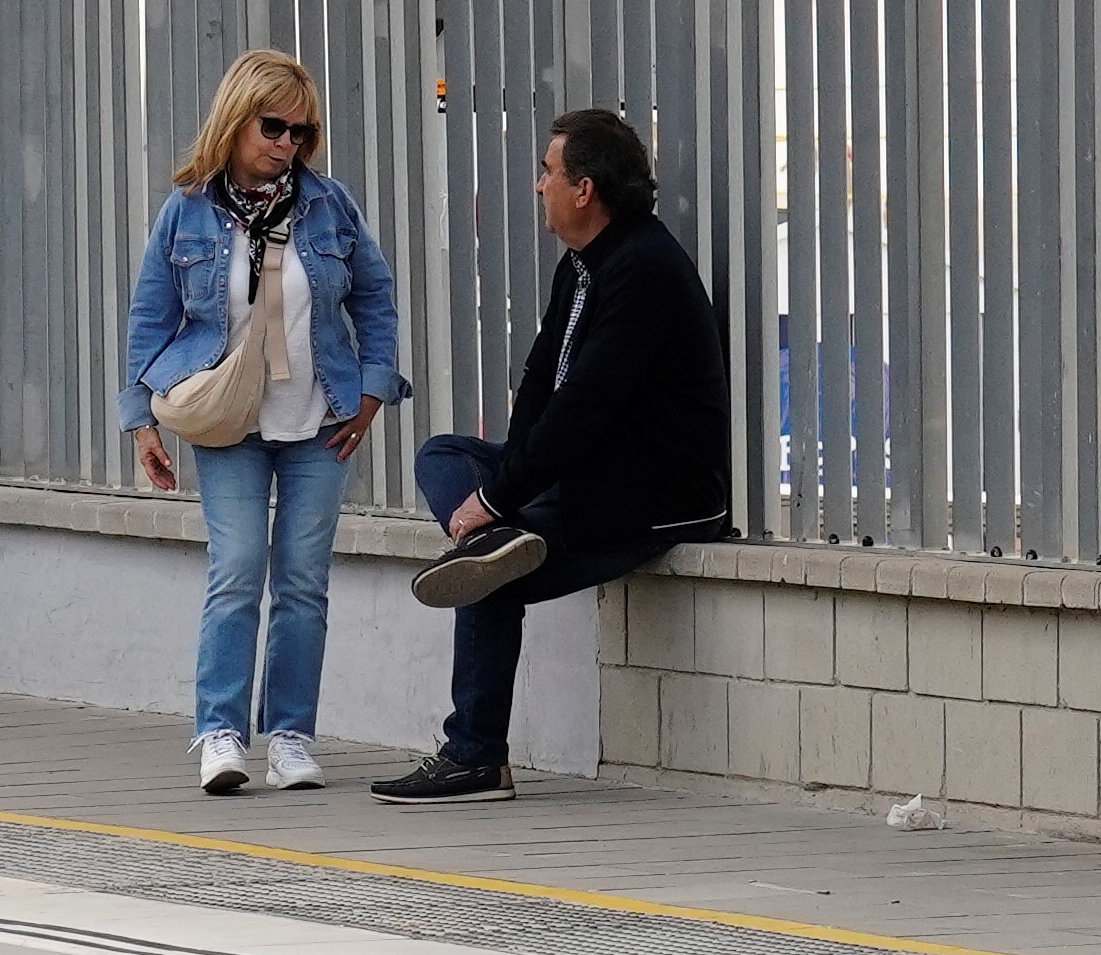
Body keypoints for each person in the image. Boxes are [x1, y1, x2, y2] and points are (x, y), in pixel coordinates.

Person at [375, 105, 727, 804]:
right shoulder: (586, 263)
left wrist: (501, 499)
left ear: (585, 188)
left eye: (547, 171)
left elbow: (585, 405)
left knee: (488, 566)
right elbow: (542, 382)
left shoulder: (643, 268)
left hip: (654, 499)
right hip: (587, 474)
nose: (539, 185)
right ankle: (499, 540)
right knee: (445, 455)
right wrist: (499, 493)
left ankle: (474, 754)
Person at [118, 51, 407, 794]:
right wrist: (140, 421)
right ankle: (219, 730)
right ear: (237, 119)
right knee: (239, 570)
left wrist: (374, 390)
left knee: (304, 581)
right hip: (229, 424)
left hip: (321, 419)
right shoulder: (187, 209)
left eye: (301, 133)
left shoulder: (329, 204)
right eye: (273, 126)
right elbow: (151, 316)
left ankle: (290, 737)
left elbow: (374, 295)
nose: (287, 144)